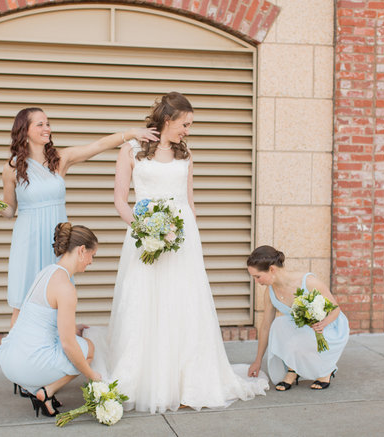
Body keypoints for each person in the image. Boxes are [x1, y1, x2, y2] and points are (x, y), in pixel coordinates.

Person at [101, 92, 268, 413]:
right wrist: (145, 228)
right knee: (144, 302)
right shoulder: (132, 150)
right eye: (185, 124)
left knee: (183, 303)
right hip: (144, 235)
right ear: (168, 120)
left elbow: (189, 201)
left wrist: (191, 240)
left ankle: (187, 379)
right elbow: (121, 200)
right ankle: (143, 377)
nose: (188, 131)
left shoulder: (186, 154)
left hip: (182, 238)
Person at [0, 107, 158, 327]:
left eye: (48, 123)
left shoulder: (60, 159)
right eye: (40, 124)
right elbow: (9, 211)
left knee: (59, 296)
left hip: (58, 239)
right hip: (28, 240)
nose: (47, 128)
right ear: (24, 130)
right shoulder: (11, 168)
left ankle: (59, 349)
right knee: (23, 301)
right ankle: (16, 357)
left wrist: (132, 133)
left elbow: (97, 146)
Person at [0, 222, 102, 417]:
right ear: (81, 251)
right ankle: (47, 391)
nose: (91, 262)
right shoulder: (66, 288)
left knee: (76, 341)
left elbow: (40, 318)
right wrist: (92, 375)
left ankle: (38, 389)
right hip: (28, 364)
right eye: (92, 255)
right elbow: (68, 345)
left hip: (9, 359)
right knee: (88, 348)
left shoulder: (47, 272)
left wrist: (74, 327)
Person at [246, 245, 349, 390]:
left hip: (327, 326)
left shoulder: (309, 282)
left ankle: (326, 370)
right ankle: (292, 370)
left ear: (272, 269)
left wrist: (323, 323)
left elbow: (335, 309)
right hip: (303, 328)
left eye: (258, 276)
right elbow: (265, 327)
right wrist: (257, 361)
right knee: (279, 324)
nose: (257, 281)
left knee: (294, 331)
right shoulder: (269, 293)